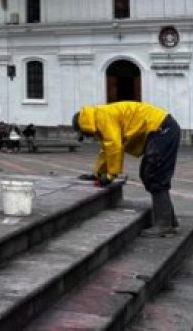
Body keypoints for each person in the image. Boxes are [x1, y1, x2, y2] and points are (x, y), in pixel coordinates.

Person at [72, 101, 181, 237]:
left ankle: (164, 225)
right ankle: (169, 221)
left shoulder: (102, 118)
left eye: (84, 135)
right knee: (149, 174)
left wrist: (111, 175)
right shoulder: (99, 117)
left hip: (161, 129)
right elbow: (107, 149)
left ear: (83, 126)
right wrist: (98, 173)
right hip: (162, 129)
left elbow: (115, 146)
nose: (87, 138)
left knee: (154, 175)